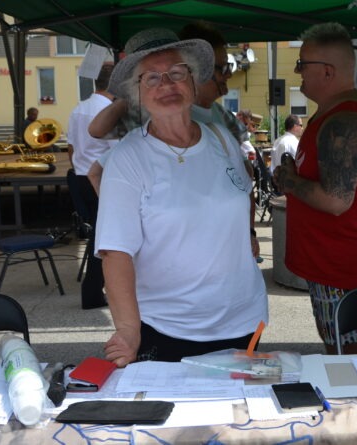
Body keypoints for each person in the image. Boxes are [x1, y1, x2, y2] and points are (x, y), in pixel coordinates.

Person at [95, 30, 267, 366]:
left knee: (241, 400)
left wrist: (248, 232)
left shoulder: (221, 138)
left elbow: (244, 191)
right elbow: (116, 253)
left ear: (192, 80)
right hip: (169, 328)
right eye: (152, 78)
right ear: (137, 93)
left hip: (245, 319)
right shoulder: (129, 157)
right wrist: (128, 330)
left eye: (176, 73)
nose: (166, 84)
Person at [273, 22, 357, 355]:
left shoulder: (344, 120)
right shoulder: (332, 114)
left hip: (343, 270)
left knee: (350, 359)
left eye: (302, 64)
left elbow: (336, 200)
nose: (297, 72)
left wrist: (290, 182)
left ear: (327, 71)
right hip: (333, 266)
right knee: (340, 353)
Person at [66, 62, 116, 310]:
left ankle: (94, 290)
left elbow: (71, 148)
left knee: (100, 235)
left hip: (80, 178)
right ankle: (94, 291)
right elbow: (119, 153)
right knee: (105, 237)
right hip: (101, 179)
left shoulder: (79, 108)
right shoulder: (108, 111)